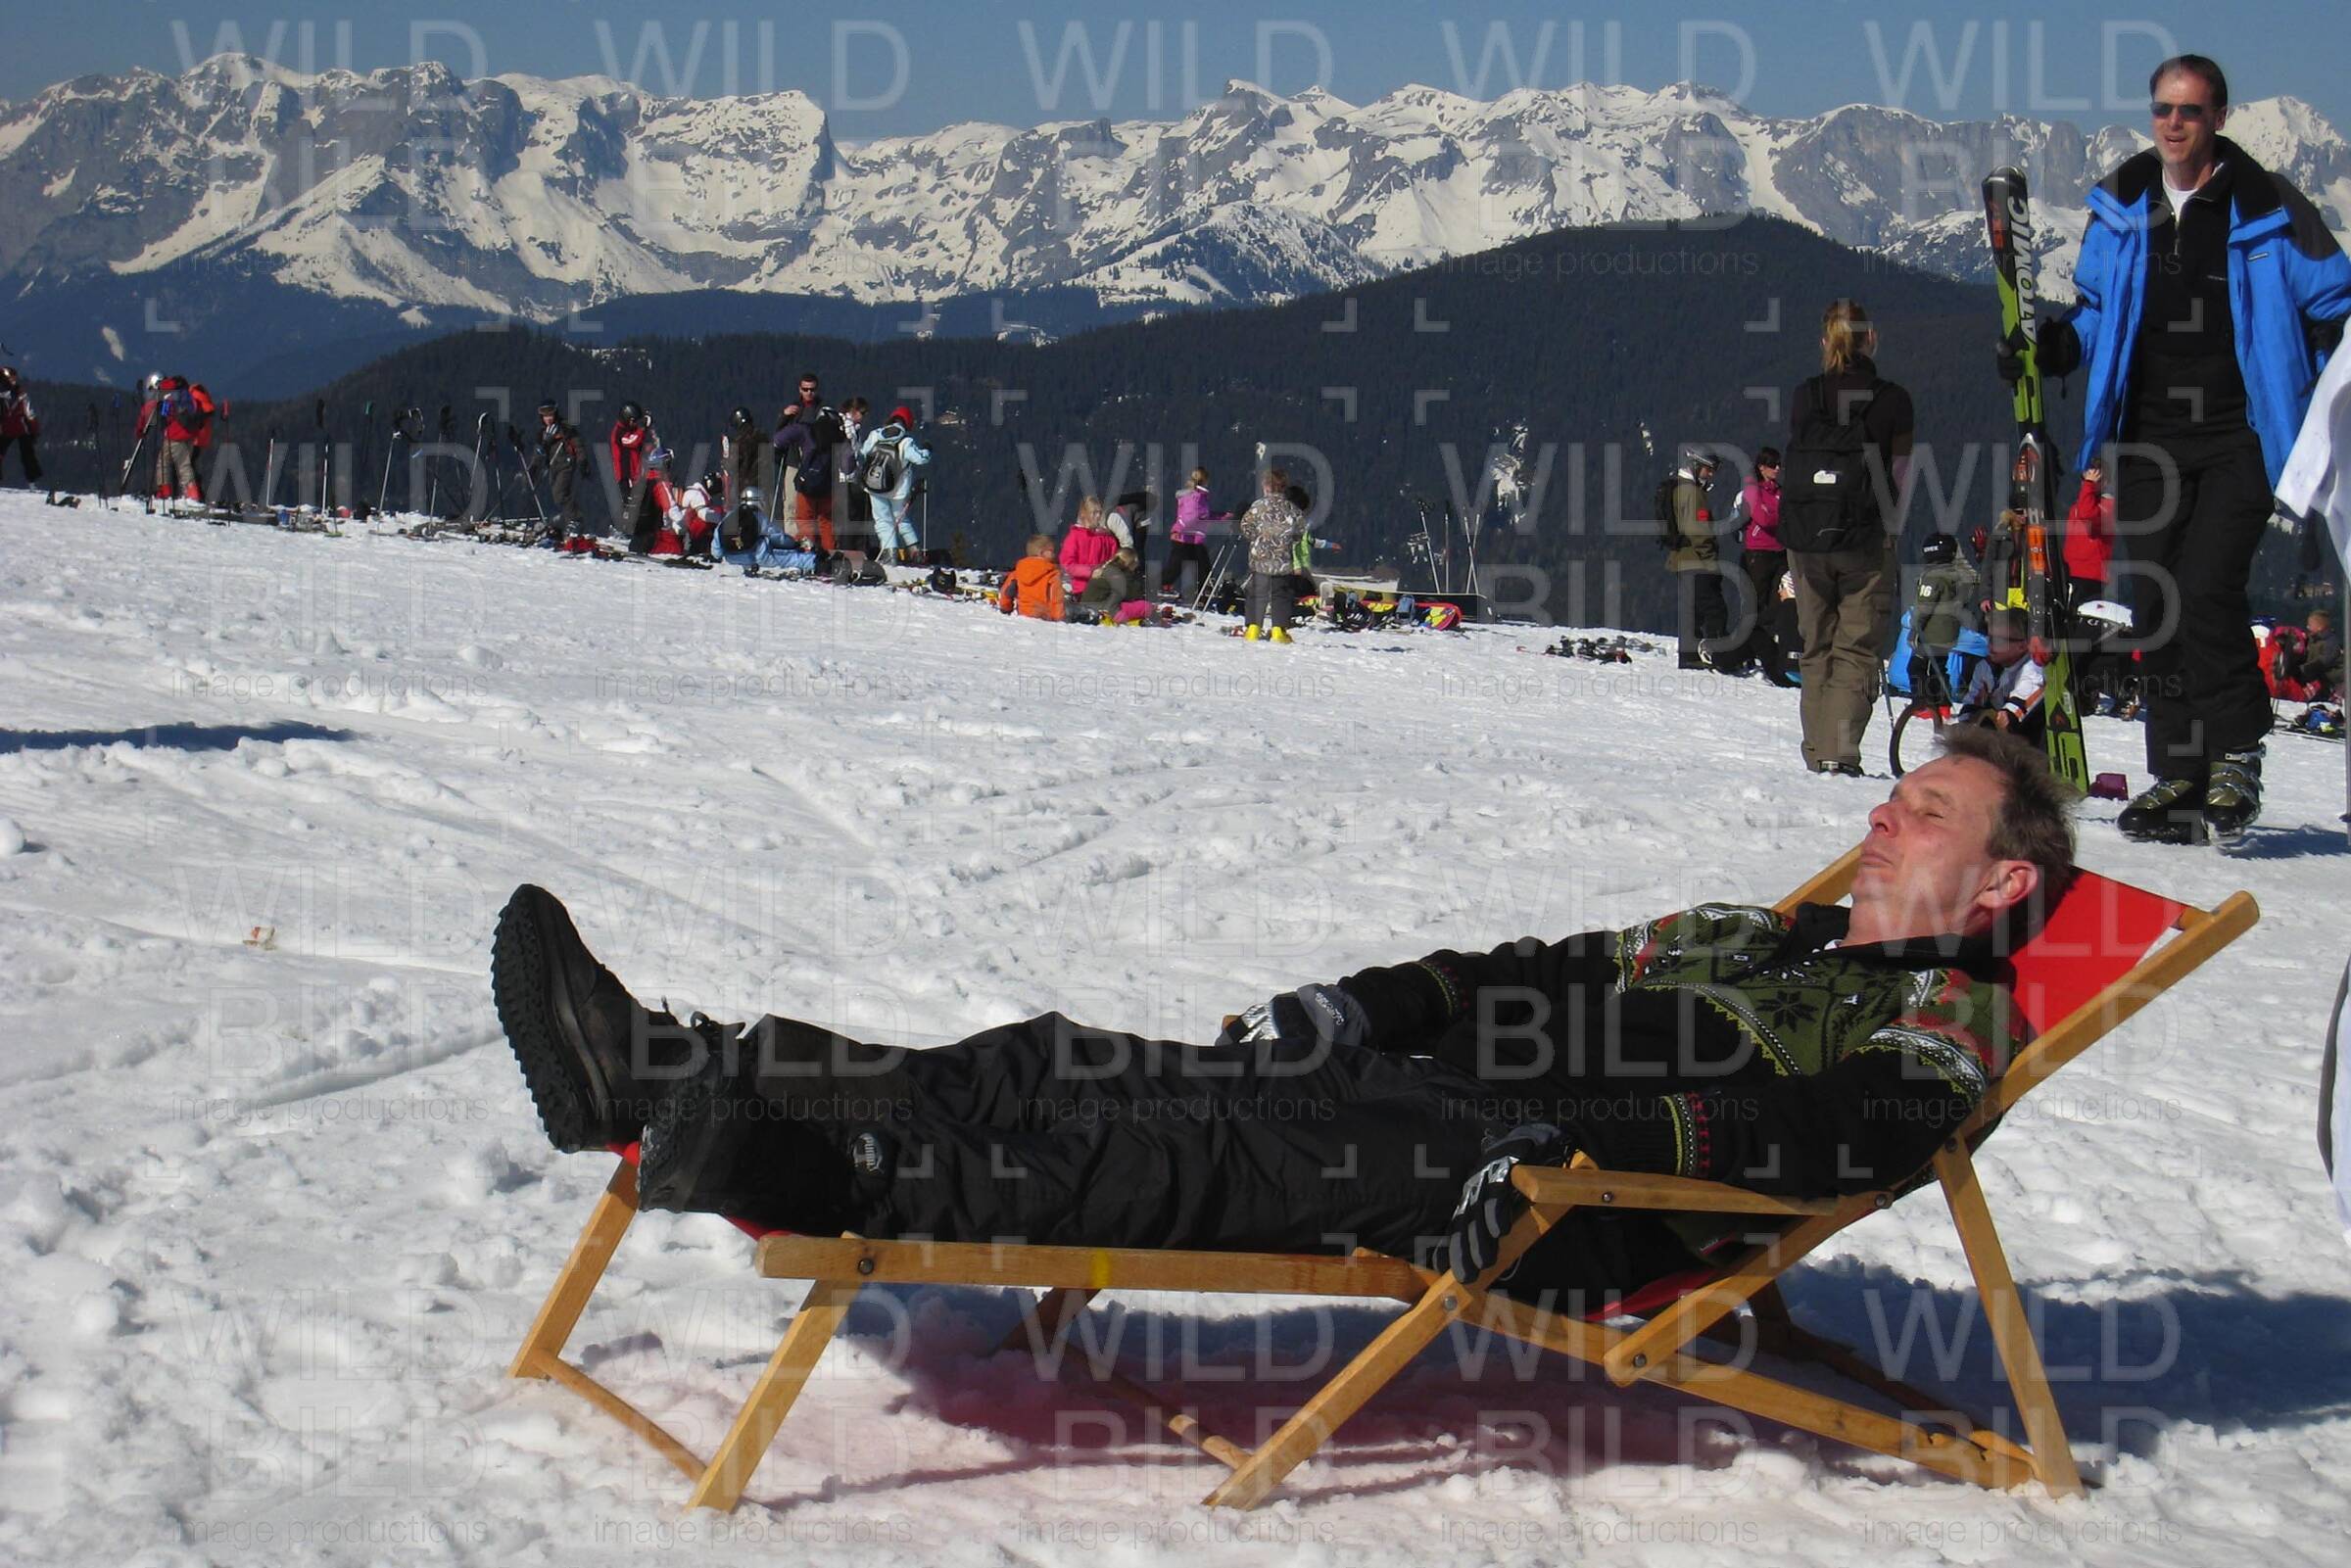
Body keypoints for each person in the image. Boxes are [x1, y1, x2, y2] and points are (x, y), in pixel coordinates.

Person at [486, 728, 2070, 1299]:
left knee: (1170, 1153)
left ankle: (796, 1168)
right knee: (1063, 1063)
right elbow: (1533, 967)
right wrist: (1364, 1001)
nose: (1883, 817)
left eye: (1927, 812)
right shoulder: (1742, 931)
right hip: (1445, 1098)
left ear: (2003, 882)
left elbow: (1846, 1135)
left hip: (1549, 1195)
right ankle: (677, 1069)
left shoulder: (1951, 1014)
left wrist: (1572, 1141)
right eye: (1894, 795)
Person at [2016, 54, 2351, 842]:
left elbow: (2336, 297)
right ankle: (2179, 772)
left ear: (2218, 119)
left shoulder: (2268, 205)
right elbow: (2097, 309)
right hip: (2146, 437)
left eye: (2190, 111)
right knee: (2157, 601)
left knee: (2206, 586)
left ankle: (2236, 752)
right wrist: (2057, 348)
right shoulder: (2124, 203)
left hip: (2243, 434)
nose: (2174, 123)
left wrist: (2324, 387)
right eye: (2163, 109)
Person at [1784, 300, 1916, 776]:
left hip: (1805, 539)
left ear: (1825, 342)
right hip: (1866, 537)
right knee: (1856, 647)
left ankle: (1817, 752)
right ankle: (1837, 753)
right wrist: (1892, 528)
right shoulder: (1893, 400)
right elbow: (1900, 474)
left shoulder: (1806, 396)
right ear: (1871, 338)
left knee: (1815, 644)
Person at [1663, 447, 1733, 672]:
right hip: (1697, 561)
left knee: (1691, 610)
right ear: (1695, 466)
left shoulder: (1678, 487)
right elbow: (1699, 531)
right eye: (1708, 469)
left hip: (1681, 559)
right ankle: (1718, 656)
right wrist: (1710, 560)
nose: (1711, 474)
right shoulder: (1693, 493)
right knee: (1715, 609)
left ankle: (1689, 656)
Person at [1731, 447, 1789, 682]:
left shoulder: (1779, 492)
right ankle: (1744, 650)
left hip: (1779, 552)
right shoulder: (1753, 490)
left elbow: (1784, 515)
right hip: (1758, 553)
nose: (1777, 469)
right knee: (1754, 603)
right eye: (1772, 465)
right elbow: (1763, 518)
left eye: (1779, 464)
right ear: (1761, 467)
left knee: (1774, 605)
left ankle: (1762, 649)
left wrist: (1777, 516)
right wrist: (1779, 516)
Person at [1908, 532, 1985, 703]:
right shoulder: (1958, 576)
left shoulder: (1932, 576)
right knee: (1938, 669)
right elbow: (1972, 580)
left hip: (1931, 633)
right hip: (1950, 632)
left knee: (1917, 668)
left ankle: (1924, 704)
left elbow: (1924, 607)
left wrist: (1915, 629)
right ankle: (1943, 705)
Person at [776, 373, 846, 553]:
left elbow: (780, 438)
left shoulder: (820, 410)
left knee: (808, 510)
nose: (809, 393)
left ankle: (803, 547)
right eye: (805, 389)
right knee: (795, 507)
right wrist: (783, 416)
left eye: (812, 389)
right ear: (800, 389)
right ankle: (806, 543)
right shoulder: (796, 410)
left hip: (811, 465)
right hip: (801, 463)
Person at [1953, 609, 2047, 742]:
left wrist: (1990, 721)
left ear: (2022, 646)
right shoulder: (1986, 666)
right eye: (1990, 638)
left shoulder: (2034, 669)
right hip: (1997, 737)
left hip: (2028, 741)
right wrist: (1966, 722)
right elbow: (1972, 703)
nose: (1990, 645)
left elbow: (2012, 713)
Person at [858, 405, 933, 564]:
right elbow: (921, 459)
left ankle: (890, 553)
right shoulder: (906, 441)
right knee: (901, 519)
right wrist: (927, 450)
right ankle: (914, 551)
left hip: (874, 485)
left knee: (882, 520)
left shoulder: (876, 434)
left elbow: (863, 451)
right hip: (898, 490)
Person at [1239, 467, 1307, 641]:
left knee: (1256, 593)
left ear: (1266, 487)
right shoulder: (1292, 509)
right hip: (1282, 559)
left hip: (1259, 558)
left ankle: (1253, 628)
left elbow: (1246, 527)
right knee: (1281, 594)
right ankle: (1278, 630)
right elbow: (1299, 533)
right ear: (1284, 487)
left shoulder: (1257, 507)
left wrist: (1257, 538)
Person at [531, 401, 587, 543]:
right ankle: (569, 525)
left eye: (550, 415)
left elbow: (578, 445)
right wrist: (533, 467)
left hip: (566, 464)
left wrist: (582, 461)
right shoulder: (542, 433)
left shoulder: (565, 428)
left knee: (560, 494)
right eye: (545, 416)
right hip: (552, 467)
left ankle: (576, 520)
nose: (548, 418)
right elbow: (539, 451)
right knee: (558, 497)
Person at [608, 403, 659, 553]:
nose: (635, 424)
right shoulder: (619, 432)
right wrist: (642, 428)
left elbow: (639, 444)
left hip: (635, 473)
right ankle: (621, 530)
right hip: (625, 474)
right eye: (633, 421)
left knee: (638, 503)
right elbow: (632, 441)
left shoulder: (630, 430)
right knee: (629, 502)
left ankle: (632, 531)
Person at [2063, 464, 2117, 607]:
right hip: (2070, 572)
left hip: (2092, 577)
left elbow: (2087, 515)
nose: (2086, 482)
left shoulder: (2108, 506)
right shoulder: (2078, 505)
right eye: (2084, 478)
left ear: (2105, 482)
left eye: (2095, 479)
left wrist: (2089, 485)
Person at [1161, 467, 1217, 600]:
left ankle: (1203, 590)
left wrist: (1226, 516)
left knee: (1200, 565)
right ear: (1204, 480)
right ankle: (1159, 585)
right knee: (1177, 567)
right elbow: (1191, 517)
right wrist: (1183, 528)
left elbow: (1203, 515)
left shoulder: (1199, 496)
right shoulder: (1195, 496)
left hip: (1191, 538)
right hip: (1185, 538)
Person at [996, 533, 1067, 620]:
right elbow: (1057, 600)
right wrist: (1058, 619)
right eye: (1052, 551)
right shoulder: (1052, 574)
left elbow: (1006, 592)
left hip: (1023, 616)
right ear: (1042, 553)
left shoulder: (1018, 572)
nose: (1055, 554)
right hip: (1044, 619)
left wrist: (1006, 608)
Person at [1058, 497, 1117, 596]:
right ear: (1083, 514)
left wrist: (1107, 571)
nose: (1098, 516)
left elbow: (1113, 560)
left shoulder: (1107, 538)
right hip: (1082, 588)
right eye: (1094, 513)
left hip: (1105, 587)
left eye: (1099, 512)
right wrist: (1090, 572)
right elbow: (1067, 564)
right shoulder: (1074, 537)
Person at [722, 406, 771, 514]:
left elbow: (733, 465)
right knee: (764, 518)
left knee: (749, 518)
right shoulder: (763, 437)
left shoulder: (741, 441)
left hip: (747, 486)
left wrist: (725, 460)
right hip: (765, 484)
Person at [0, 367, 42, 488]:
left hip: (6, 429)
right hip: (20, 428)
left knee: (26, 454)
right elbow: (29, 414)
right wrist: (34, 430)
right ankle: (32, 482)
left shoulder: (17, 394)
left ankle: (32, 481)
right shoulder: (21, 394)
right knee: (27, 455)